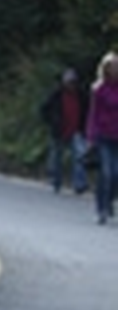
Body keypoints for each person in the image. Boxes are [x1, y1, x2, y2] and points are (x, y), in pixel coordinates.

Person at [38, 67, 90, 195]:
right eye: (69, 82)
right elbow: (44, 109)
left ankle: (79, 183)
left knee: (80, 156)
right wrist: (52, 122)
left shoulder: (82, 95)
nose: (71, 85)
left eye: (73, 82)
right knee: (56, 158)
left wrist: (86, 127)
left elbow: (88, 111)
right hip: (59, 131)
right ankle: (56, 180)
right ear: (63, 82)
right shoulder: (56, 95)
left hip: (77, 130)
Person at [87, 52, 118, 224]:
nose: (115, 70)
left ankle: (110, 199)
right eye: (112, 67)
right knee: (106, 172)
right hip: (104, 136)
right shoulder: (99, 89)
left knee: (116, 174)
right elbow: (93, 114)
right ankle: (101, 208)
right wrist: (91, 136)